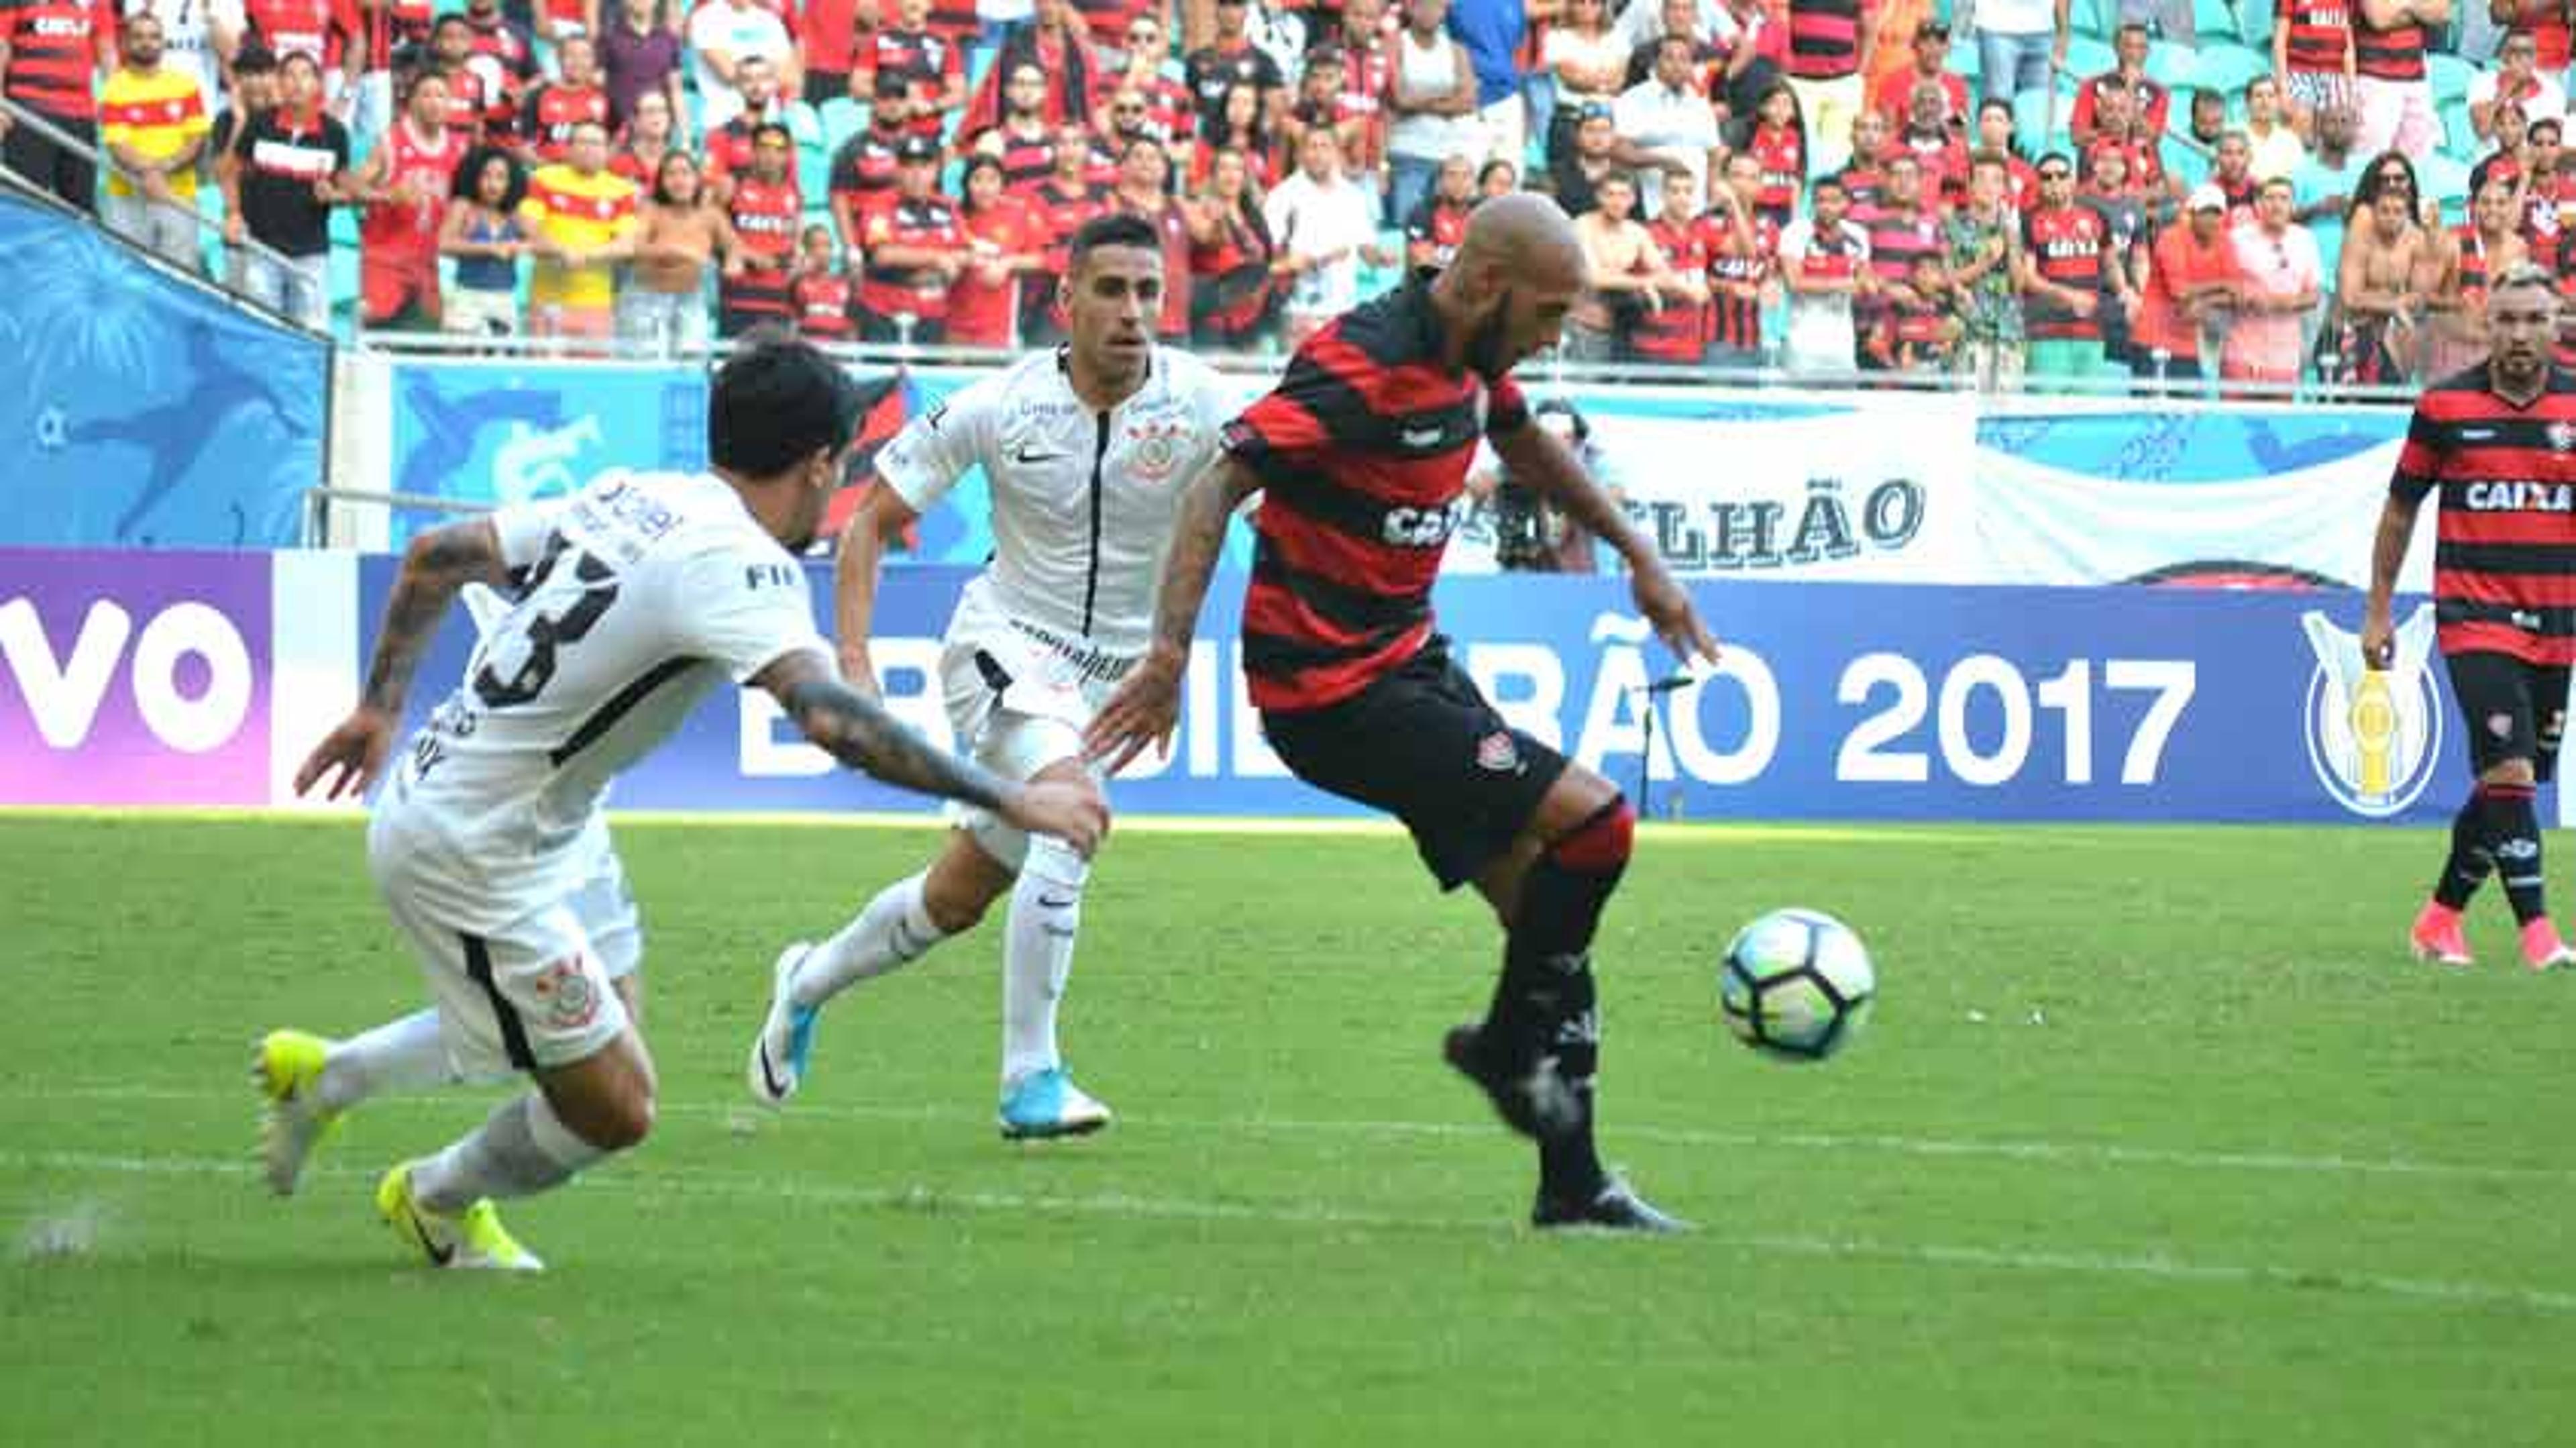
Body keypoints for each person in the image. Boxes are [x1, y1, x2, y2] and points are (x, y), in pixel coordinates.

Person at [254, 337, 1110, 1272]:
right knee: (616, 1106)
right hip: (474, 847)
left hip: (542, 819)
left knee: (590, 1023)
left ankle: (328, 1079)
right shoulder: (739, 564)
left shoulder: (638, 493)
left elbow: (438, 554)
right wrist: (1012, 797)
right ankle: (433, 1197)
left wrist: (379, 707)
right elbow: (834, 721)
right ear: (822, 466)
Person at [1085, 192, 1720, 1231]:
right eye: (1551, 311)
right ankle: (1509, 1052)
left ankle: (1573, 1181)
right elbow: (1215, 486)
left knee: (1547, 918)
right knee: (1598, 825)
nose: (1559, 334)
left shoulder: (1472, 352)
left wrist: (1638, 554)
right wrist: (1166, 656)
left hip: (1404, 665)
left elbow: (1521, 441)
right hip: (1329, 692)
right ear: (1482, 286)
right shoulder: (1364, 362)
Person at [751, 215, 1228, 1137]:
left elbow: (1284, 489)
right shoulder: (997, 405)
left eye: (1148, 292)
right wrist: (852, 665)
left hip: (1112, 688)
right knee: (1072, 814)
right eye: (1111, 290)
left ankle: (806, 980)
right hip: (1003, 647)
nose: (1133, 313)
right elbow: (867, 524)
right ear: (1064, 300)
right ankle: (1030, 1078)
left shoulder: (1202, 402)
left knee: (958, 897)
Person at [2364, 264, 2576, 974]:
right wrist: (2379, 609)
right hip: (2473, 614)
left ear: (2556, 325)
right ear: (2487, 323)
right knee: (2511, 768)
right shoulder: (2446, 407)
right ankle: (2539, 933)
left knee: (2509, 785)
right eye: (2507, 320)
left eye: (2534, 320)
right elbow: (2401, 509)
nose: (2519, 334)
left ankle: (2439, 919)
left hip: (2556, 624)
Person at [224, 50, 351, 332]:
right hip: (260, 247)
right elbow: (230, 172)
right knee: (260, 330)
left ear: (318, 84)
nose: (297, 82)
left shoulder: (335, 133)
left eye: (305, 75)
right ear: (279, 83)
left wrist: (334, 196)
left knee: (311, 335)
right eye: (290, 75)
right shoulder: (260, 124)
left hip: (311, 254)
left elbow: (346, 192)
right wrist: (233, 213)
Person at [354, 66, 464, 331]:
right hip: (385, 261)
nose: (434, 102)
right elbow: (353, 187)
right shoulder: (390, 142)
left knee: (433, 337)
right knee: (372, 324)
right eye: (426, 94)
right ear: (412, 101)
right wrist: (387, 195)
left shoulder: (459, 148)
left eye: (441, 95)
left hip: (430, 263)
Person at [99, 11, 209, 268]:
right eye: (138, 37)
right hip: (127, 196)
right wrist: (151, 174)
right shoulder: (114, 88)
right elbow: (118, 146)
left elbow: (196, 141)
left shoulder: (185, 85)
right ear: (125, 43)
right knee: (127, 275)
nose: (147, 43)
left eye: (154, 36)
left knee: (180, 278)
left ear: (163, 42)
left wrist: (162, 171)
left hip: (177, 196)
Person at [519, 116, 637, 346]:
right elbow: (529, 229)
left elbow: (627, 246)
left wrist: (584, 255)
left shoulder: (621, 190)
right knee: (543, 377)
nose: (589, 149)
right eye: (582, 142)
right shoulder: (544, 179)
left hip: (596, 303)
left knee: (592, 378)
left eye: (597, 144)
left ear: (607, 150)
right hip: (546, 300)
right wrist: (562, 251)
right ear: (569, 148)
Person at [1, 0, 115, 213]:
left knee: (80, 209)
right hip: (28, 113)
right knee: (23, 203)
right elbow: (2, 47)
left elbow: (107, 53)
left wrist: (118, 109)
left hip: (81, 117)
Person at [622, 149, 735, 354]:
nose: (678, 180)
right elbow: (633, 247)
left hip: (692, 300)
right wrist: (676, 250)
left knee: (690, 365)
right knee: (641, 366)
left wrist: (732, 263)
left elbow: (733, 248)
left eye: (685, 173)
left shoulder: (712, 215)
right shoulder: (651, 210)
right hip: (645, 300)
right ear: (662, 183)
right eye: (671, 174)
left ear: (697, 179)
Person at [2133, 183, 2243, 386]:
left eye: (2217, 214)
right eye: (2205, 213)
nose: (2211, 220)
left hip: (2189, 342)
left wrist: (2206, 300)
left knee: (2189, 413)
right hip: (2152, 339)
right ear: (2192, 214)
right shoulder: (2172, 237)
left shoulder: (2225, 240)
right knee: (2150, 411)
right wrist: (2221, 284)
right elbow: (2180, 292)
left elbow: (2237, 292)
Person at [2023, 152, 2116, 387]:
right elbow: (2028, 278)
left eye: (2061, 175)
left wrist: (2126, 289)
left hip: (2092, 331)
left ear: (2072, 180)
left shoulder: (2097, 216)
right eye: (2047, 177)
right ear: (2038, 183)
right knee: (2045, 415)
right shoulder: (2028, 221)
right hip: (2046, 333)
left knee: (2087, 416)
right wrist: (2067, 295)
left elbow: (2111, 264)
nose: (2054, 182)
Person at [2221, 175, 2323, 384]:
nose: (2276, 205)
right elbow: (2221, 286)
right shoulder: (2237, 239)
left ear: (2293, 206)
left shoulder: (2305, 239)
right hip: (2241, 355)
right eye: (2270, 198)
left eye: (2284, 198)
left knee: (2282, 416)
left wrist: (2279, 303)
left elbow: (2314, 295)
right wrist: (2243, 295)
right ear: (2257, 205)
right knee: (2237, 417)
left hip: (2285, 359)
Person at [1385, 0, 1478, 223]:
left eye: (1437, 7)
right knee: (1407, 224)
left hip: (1446, 155)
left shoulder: (1456, 50)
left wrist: (1418, 102)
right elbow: (1399, 99)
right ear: (1411, 8)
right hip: (1406, 151)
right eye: (1423, 6)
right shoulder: (1396, 43)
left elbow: (1468, 102)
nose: (1430, 12)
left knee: (1444, 231)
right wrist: (1446, 100)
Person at [1778, 172, 1872, 374]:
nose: (1827, 207)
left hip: (1843, 343)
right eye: (1821, 201)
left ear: (1846, 202)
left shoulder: (1858, 235)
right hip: (1803, 342)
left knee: (1842, 402)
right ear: (1812, 203)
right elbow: (1794, 282)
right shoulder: (1795, 232)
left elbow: (1864, 281)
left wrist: (1866, 285)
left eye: (1834, 201)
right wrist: (1842, 284)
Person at [439, 144, 529, 340]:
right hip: (467, 298)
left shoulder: (515, 214)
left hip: (505, 300)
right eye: (486, 176)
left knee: (501, 365)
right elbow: (443, 245)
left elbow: (544, 243)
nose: (493, 184)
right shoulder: (463, 207)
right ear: (473, 177)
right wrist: (489, 249)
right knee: (461, 363)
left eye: (500, 177)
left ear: (511, 182)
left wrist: (521, 247)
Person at [2351, 0, 2445, 161]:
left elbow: (2441, 13)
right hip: (2374, 80)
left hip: (2416, 78)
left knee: (2416, 167)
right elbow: (2379, 18)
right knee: (2367, 165)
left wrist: (2399, 6)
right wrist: (2417, 10)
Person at [2275, 0, 2355, 138]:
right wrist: (2284, 88)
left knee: (2334, 133)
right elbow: (2280, 42)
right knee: (2300, 124)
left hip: (2334, 75)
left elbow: (2348, 48)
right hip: (2299, 73)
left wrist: (2352, 91)